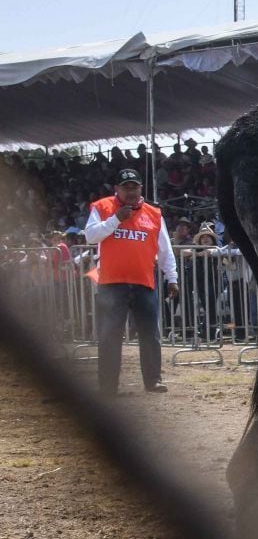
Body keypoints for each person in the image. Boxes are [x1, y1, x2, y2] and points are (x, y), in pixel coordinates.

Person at [83, 169, 177, 396]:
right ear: (117, 189)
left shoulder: (154, 213)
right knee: (110, 336)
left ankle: (153, 381)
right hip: (112, 284)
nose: (131, 191)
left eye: (134, 186)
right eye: (126, 187)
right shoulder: (102, 207)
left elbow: (165, 249)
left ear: (141, 188)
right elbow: (90, 236)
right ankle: (108, 387)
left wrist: (172, 278)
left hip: (144, 282)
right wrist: (116, 219)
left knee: (149, 334)